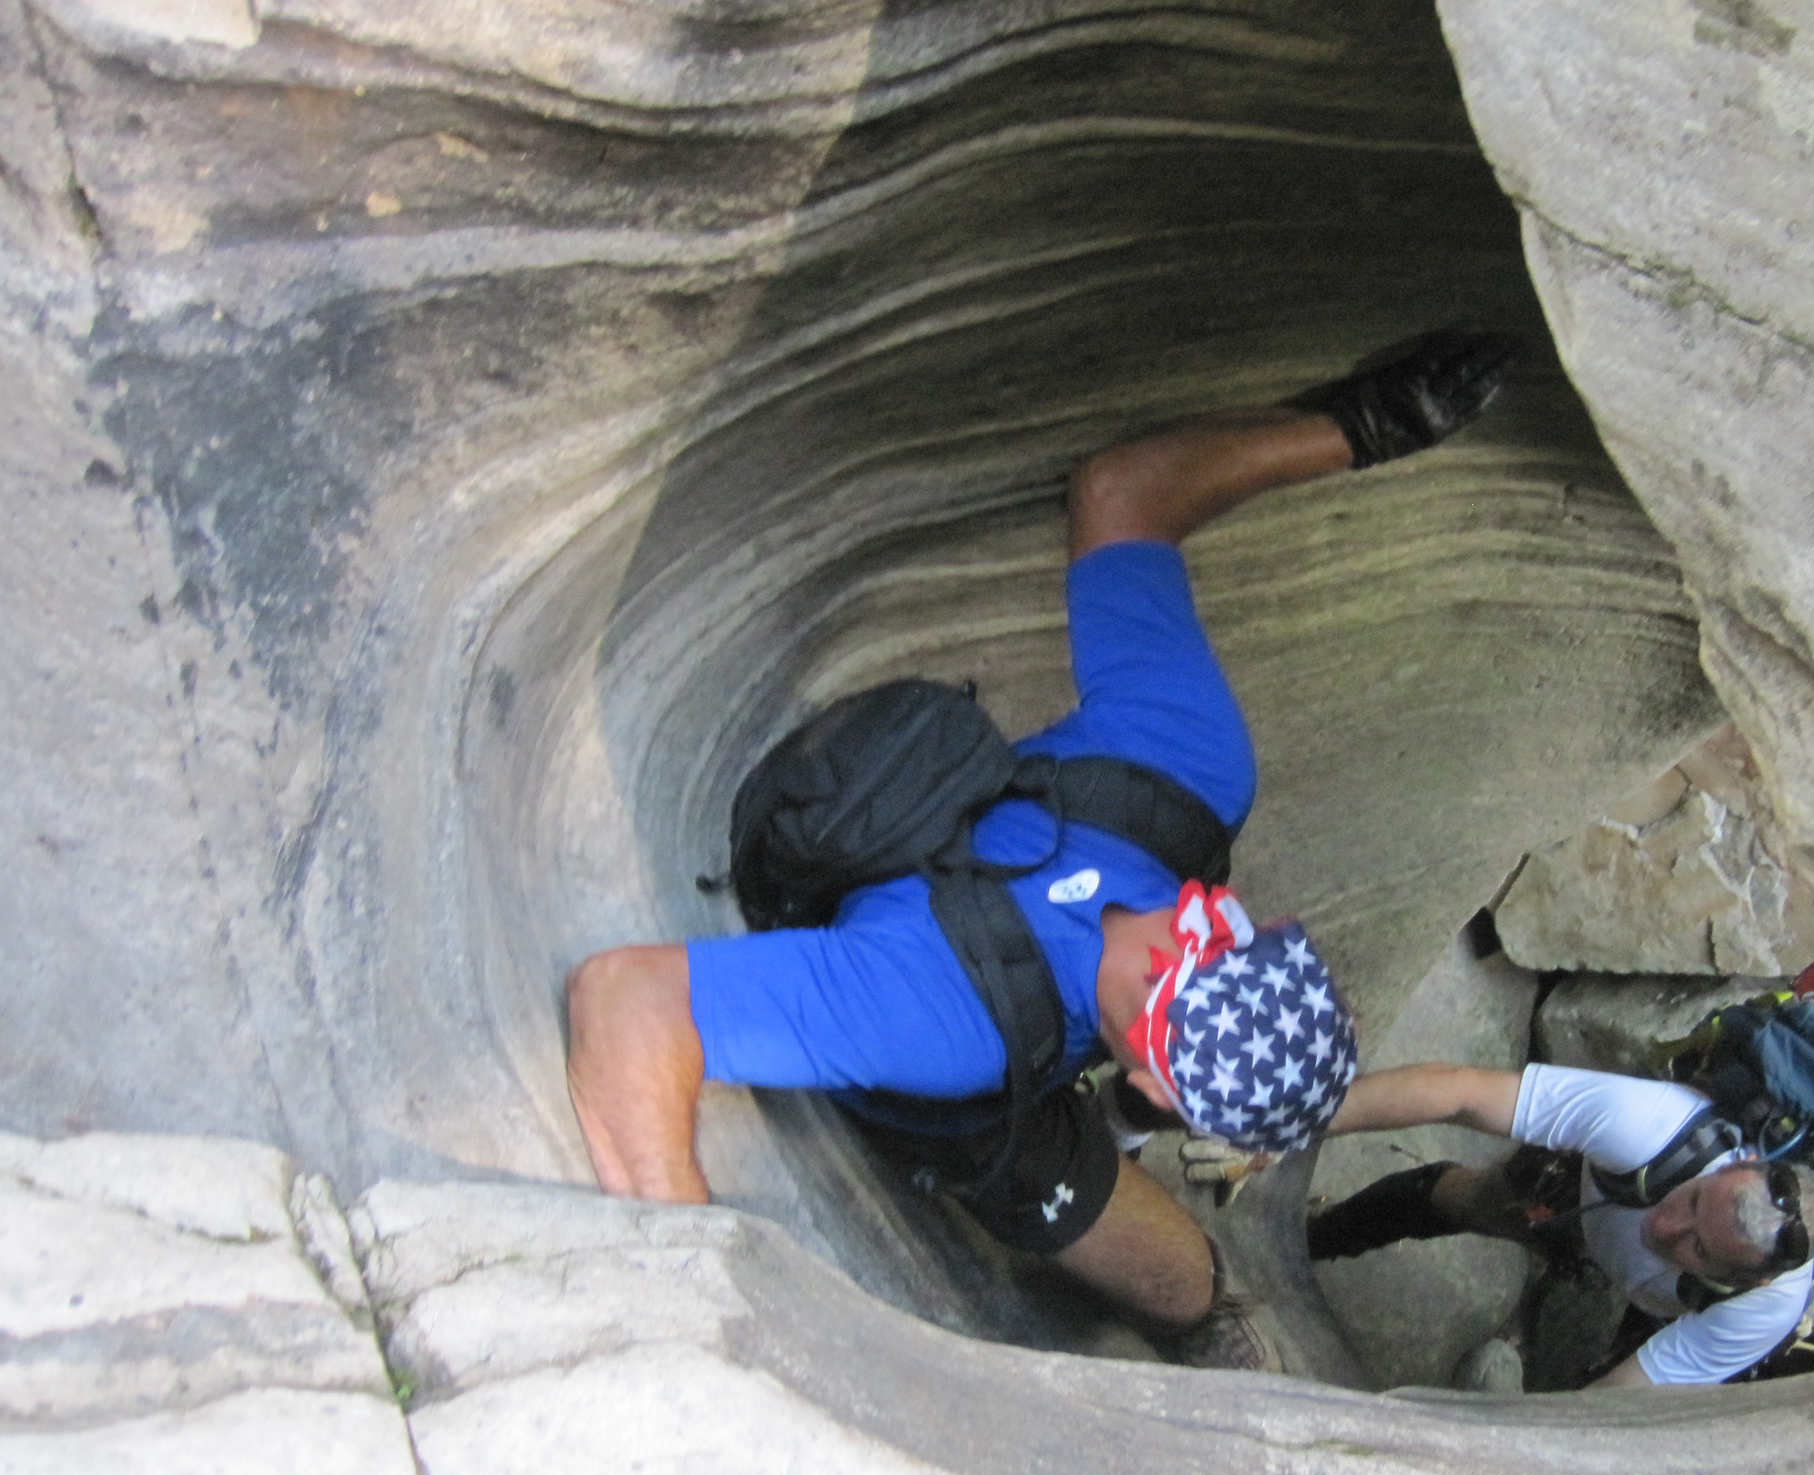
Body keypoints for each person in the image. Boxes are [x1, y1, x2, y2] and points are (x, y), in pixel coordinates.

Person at [565, 331, 1517, 1369]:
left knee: (1169, 1254)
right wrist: (689, 1297)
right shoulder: (944, 1026)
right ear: (1156, 1086)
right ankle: (1153, 1277)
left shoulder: (1186, 774)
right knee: (1184, 1281)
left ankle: (1115, 1167)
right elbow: (628, 1003)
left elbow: (1122, 495)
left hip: (959, 897)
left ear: (1264, 932)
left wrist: (1359, 427)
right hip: (959, 1072)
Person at [1314, 1059, 1814, 1388]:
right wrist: (1297, 1122)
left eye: (1697, 1246)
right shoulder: (1652, 1127)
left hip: (1726, 1284)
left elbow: (1619, 1399)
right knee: (1450, 1197)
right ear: (1729, 1166)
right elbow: (1461, 1092)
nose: (1668, 1227)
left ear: (1737, 1277)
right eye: (1691, 1204)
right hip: (1585, 1193)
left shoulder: (1763, 1304)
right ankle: (1311, 1239)